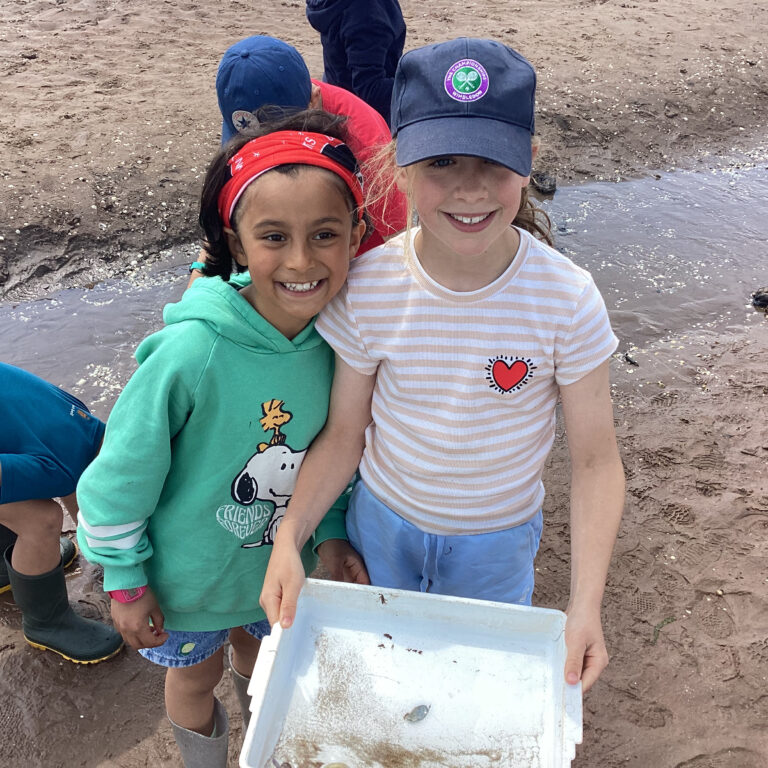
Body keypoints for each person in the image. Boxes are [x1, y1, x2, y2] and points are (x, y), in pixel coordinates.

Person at [260, 38, 625, 695]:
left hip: (498, 542)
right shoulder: (369, 286)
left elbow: (597, 460)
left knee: (476, 682)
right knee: (389, 672)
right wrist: (292, 535)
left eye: (493, 161)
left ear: (528, 163)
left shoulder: (567, 300)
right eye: (443, 161)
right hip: (383, 526)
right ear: (399, 163)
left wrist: (585, 605)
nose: (468, 187)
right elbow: (345, 436)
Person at [76, 110, 369, 768]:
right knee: (195, 679)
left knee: (261, 657)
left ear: (357, 234)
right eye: (273, 237)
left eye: (325, 234)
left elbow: (336, 452)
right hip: (187, 585)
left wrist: (332, 534)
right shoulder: (190, 352)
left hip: (275, 571)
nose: (301, 261)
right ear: (236, 245)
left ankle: (261, 743)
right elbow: (119, 477)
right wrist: (125, 579)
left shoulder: (344, 340)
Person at [208, 36, 407, 259]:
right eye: (250, 144)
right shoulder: (285, 92)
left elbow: (396, 245)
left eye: (281, 141)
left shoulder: (367, 149)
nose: (265, 155)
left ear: (314, 102)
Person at [0, 362, 124, 664]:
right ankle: (46, 621)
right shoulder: (64, 464)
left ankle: (7, 562)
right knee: (41, 521)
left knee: (26, 484)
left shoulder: (83, 427)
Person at [305, 0, 406, 126]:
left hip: (336, 91)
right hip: (362, 120)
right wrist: (417, 87)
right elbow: (370, 90)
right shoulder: (367, 13)